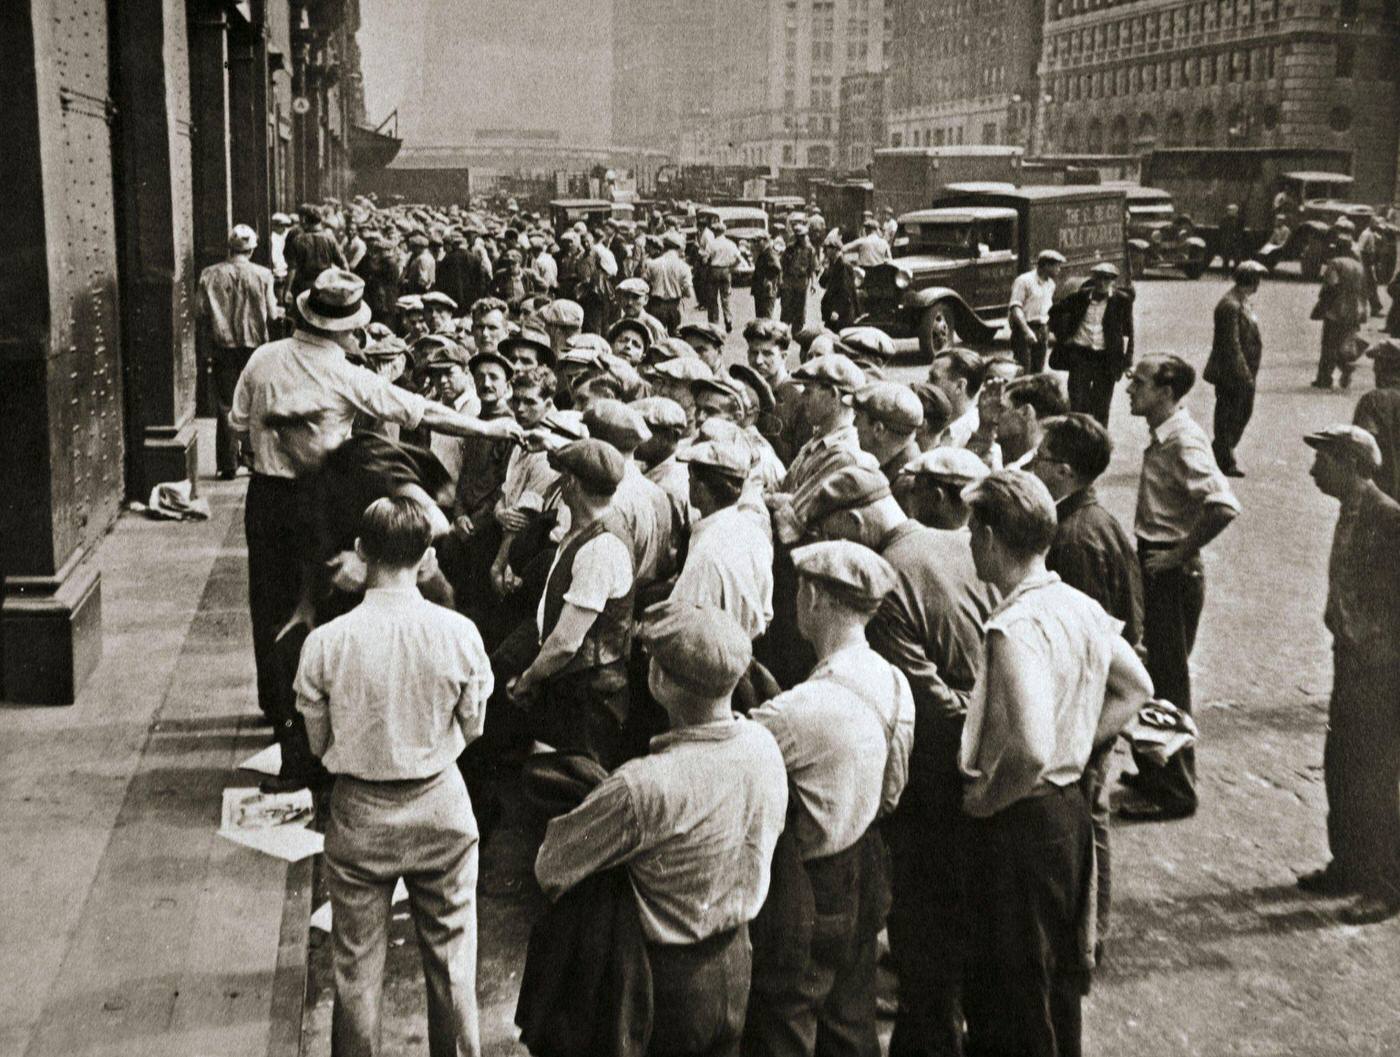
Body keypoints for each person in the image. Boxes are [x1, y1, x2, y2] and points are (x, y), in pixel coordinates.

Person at [229, 269, 517, 726]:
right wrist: (487, 426)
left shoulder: (263, 358)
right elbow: (421, 411)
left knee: (268, 596)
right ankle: (309, 710)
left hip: (264, 496)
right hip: (317, 494)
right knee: (320, 598)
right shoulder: (346, 375)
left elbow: (239, 424)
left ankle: (276, 703)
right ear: (343, 329)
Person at [534, 604, 790, 1057]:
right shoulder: (763, 746)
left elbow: (552, 866)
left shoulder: (645, 785)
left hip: (664, 983)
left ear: (660, 681)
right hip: (735, 960)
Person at [958, 471, 1152, 1057]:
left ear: (991, 538)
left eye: (973, 532)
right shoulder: (1079, 605)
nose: (969, 544)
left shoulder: (1013, 628)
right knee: (1056, 982)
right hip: (1065, 818)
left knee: (1009, 994)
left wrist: (986, 799)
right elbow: (1136, 687)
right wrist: (1082, 741)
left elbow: (1030, 748)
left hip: (1019, 822)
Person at [295, 497, 492, 1057]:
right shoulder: (459, 633)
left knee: (356, 970)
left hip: (360, 811)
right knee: (454, 963)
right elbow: (473, 728)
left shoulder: (326, 643)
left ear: (360, 552)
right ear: (427, 556)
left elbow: (316, 743)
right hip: (440, 805)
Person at [816, 456, 994, 1057]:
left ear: (854, 521)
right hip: (987, 765)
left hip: (935, 778)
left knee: (924, 932)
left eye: (833, 530)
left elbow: (926, 700)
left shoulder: (889, 576)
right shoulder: (959, 544)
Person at [745, 540, 916, 1057]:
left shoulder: (798, 710)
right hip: (863, 867)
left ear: (813, 597)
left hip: (806, 885)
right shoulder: (893, 682)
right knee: (850, 1017)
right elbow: (892, 791)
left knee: (786, 1018)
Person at [1030, 413, 1144, 956]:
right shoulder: (1096, 520)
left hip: (1090, 706)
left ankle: (1085, 938)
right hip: (1101, 698)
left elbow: (1080, 640)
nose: (1033, 466)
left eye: (1042, 459)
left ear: (1066, 471)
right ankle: (1089, 932)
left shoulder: (1072, 538)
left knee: (1086, 817)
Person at [1119, 355, 1240, 821]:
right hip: (1156, 563)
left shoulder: (1185, 440)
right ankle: (1153, 770)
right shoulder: (1166, 434)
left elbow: (1223, 506)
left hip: (1171, 572)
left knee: (1169, 683)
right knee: (1153, 674)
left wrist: (1178, 554)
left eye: (1140, 383)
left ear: (1167, 391)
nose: (1131, 389)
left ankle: (1176, 792)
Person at [1296, 424, 1400, 925]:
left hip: (1383, 667)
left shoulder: (1388, 518)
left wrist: (1377, 645)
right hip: (1352, 658)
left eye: (1324, 460)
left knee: (1378, 773)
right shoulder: (1351, 510)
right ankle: (1349, 863)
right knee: (1341, 762)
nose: (1315, 469)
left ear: (1351, 464)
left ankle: (1386, 882)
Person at [509, 439, 637, 769]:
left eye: (562, 476)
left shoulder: (600, 548)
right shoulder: (591, 529)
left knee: (565, 783)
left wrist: (527, 680)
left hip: (586, 695)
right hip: (570, 687)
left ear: (572, 483)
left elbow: (565, 643)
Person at [196, 224, 278, 479]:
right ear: (252, 250)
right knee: (255, 400)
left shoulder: (209, 274)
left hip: (223, 347)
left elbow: (201, 312)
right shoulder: (263, 275)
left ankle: (228, 463)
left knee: (226, 403)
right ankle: (252, 458)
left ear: (229, 248)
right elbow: (273, 313)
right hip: (255, 347)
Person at [673, 440, 775, 642]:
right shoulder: (754, 534)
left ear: (699, 488)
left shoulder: (706, 550)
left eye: (690, 478)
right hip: (743, 648)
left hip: (707, 654)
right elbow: (765, 613)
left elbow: (680, 622)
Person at [1048, 262, 1135, 427]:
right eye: (1099, 279)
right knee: (1078, 403)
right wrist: (1063, 336)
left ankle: (1099, 444)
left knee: (1101, 406)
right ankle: (1077, 441)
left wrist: (1127, 360)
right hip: (1081, 356)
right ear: (1093, 279)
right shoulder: (1080, 297)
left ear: (1113, 281)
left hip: (1106, 359)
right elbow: (1054, 312)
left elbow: (1128, 332)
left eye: (1107, 279)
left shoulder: (1121, 301)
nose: (1102, 283)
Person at [1204, 261, 1267, 477]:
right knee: (1229, 414)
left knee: (1242, 412)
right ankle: (1224, 459)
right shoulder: (1229, 305)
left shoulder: (1242, 301)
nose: (1260, 283)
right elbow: (1231, 345)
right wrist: (1244, 375)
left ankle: (1220, 452)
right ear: (1251, 280)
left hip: (1244, 371)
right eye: (1258, 278)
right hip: (1232, 373)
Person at [1312, 223, 1370, 390]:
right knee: (1343, 343)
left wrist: (1322, 305)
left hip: (1336, 310)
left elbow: (1332, 286)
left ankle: (1324, 378)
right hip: (1354, 310)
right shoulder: (1359, 266)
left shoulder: (1335, 262)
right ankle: (1345, 367)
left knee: (1328, 344)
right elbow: (1364, 291)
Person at [1353, 338, 1400, 501]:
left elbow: (1363, 446)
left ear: (1383, 368)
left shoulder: (1373, 400)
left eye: (1377, 365)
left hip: (1382, 495)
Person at [853, 382, 923, 483]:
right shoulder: (896, 472)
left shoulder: (907, 485)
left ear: (878, 430)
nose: (854, 423)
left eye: (858, 417)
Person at [1009, 250, 1063, 375]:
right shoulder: (1024, 281)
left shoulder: (1051, 285)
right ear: (1046, 265)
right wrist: (1026, 330)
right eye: (1057, 266)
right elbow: (1015, 308)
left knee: (1038, 372)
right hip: (1024, 329)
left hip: (1042, 330)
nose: (1059, 269)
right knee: (1023, 370)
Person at [285, 205, 347, 302]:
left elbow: (292, 269)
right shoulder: (330, 239)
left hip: (303, 289)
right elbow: (344, 265)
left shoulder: (298, 240)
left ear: (304, 219)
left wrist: (287, 290)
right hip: (325, 288)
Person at [929, 347, 987, 448]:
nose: (926, 384)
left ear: (960, 386)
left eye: (934, 379)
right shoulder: (938, 422)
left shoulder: (974, 434)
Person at [640, 231, 695, 334]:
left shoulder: (652, 264)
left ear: (664, 247)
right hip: (674, 306)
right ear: (678, 248)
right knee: (676, 337)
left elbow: (643, 284)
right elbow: (689, 293)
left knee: (655, 335)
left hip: (656, 305)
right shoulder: (683, 266)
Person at [819, 232, 860, 331]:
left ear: (835, 249)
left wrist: (837, 310)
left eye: (827, 248)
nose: (825, 252)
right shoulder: (833, 264)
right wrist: (826, 269)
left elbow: (845, 291)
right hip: (832, 309)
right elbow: (822, 283)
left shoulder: (843, 265)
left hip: (841, 313)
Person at [780, 223, 818, 330]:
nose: (801, 238)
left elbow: (812, 269)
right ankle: (784, 329)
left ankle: (797, 330)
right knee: (786, 306)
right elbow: (782, 265)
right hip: (789, 281)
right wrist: (781, 281)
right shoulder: (789, 249)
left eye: (803, 236)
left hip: (802, 281)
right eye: (799, 236)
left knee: (800, 308)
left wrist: (813, 284)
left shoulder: (810, 250)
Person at [706, 221, 743, 332]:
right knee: (726, 297)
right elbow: (739, 259)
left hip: (714, 270)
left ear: (715, 232)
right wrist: (731, 267)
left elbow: (705, 258)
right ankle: (728, 318)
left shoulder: (711, 243)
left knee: (712, 298)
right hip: (726, 270)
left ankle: (714, 322)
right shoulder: (730, 243)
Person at [752, 231, 783, 321]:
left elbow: (777, 267)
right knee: (760, 317)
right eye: (755, 241)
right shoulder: (763, 252)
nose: (756, 243)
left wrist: (768, 279)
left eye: (758, 241)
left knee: (766, 317)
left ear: (765, 241)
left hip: (767, 290)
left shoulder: (770, 252)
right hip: (760, 290)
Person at [1218, 203, 1246, 271]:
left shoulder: (1240, 220)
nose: (1229, 212)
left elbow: (1241, 229)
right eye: (1228, 210)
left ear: (1236, 211)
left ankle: (1236, 272)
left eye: (1231, 210)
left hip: (1236, 241)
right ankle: (1225, 272)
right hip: (1227, 240)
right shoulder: (1224, 219)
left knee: (1237, 258)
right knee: (1226, 257)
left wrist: (1237, 236)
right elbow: (1221, 228)